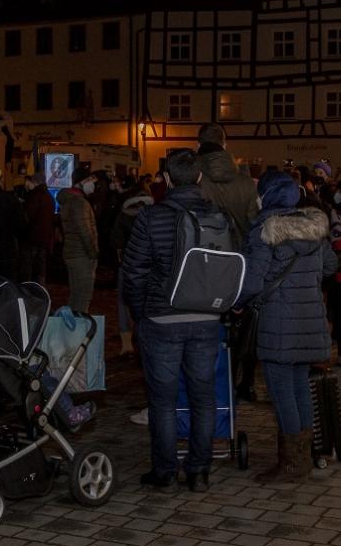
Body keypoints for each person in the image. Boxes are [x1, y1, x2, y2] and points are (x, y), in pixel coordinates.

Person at [121, 149, 219, 492]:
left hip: (162, 318)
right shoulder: (216, 215)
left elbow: (134, 272)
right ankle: (199, 471)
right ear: (200, 177)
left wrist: (140, 313)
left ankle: (164, 472)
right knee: (203, 396)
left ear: (165, 179)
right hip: (206, 316)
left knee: (162, 400)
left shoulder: (151, 218)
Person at [238, 170, 336, 484]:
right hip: (310, 321)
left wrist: (235, 301)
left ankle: (292, 464)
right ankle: (303, 458)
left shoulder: (265, 231)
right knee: (299, 389)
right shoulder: (314, 228)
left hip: (277, 324)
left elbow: (253, 281)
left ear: (266, 197)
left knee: (282, 394)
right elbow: (331, 266)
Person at [110, 188, 153, 356]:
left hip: (127, 264)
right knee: (147, 300)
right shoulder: (152, 216)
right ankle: (144, 337)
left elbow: (116, 241)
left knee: (123, 302)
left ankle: (126, 343)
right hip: (148, 265)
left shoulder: (123, 216)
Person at [195, 123, 258, 234]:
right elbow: (253, 224)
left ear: (198, 145)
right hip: (239, 244)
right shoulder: (247, 182)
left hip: (201, 243)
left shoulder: (191, 178)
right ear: (224, 145)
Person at [57, 166, 100, 313]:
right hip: (82, 256)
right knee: (83, 297)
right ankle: (80, 326)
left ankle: (72, 324)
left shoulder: (69, 200)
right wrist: (93, 254)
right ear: (82, 181)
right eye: (90, 180)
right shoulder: (79, 203)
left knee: (75, 296)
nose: (93, 184)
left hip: (73, 252)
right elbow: (85, 231)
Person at [20, 176, 56, 285]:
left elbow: (27, 216)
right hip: (44, 237)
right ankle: (40, 287)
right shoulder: (49, 196)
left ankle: (27, 287)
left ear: (33, 182)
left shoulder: (34, 196)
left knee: (27, 265)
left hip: (32, 236)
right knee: (41, 265)